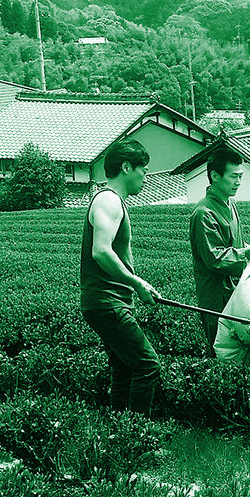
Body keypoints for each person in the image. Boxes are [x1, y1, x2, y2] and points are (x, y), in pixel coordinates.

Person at [80, 139, 161, 416]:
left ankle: (119, 436)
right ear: (126, 167)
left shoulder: (113, 201)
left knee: (124, 367)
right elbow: (101, 252)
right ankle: (137, 438)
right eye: (144, 169)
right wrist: (137, 283)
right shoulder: (108, 200)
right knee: (147, 365)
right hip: (107, 301)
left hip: (110, 300)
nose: (146, 176)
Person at [189, 147, 250, 357]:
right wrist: (247, 254)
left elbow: (237, 242)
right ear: (215, 176)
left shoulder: (230, 203)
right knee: (221, 353)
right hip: (216, 298)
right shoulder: (204, 213)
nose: (238, 182)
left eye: (240, 176)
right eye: (234, 176)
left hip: (236, 291)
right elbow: (215, 258)